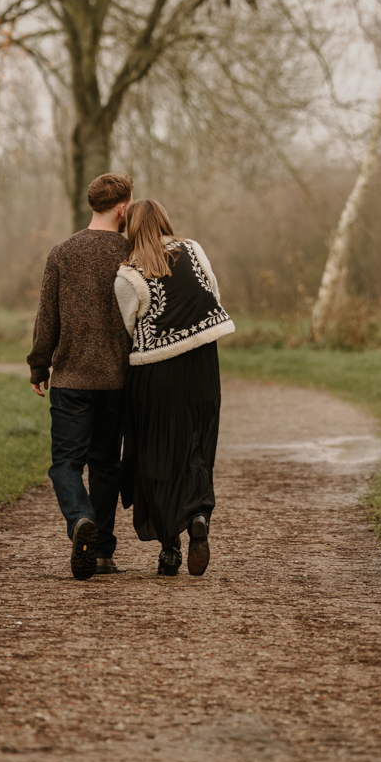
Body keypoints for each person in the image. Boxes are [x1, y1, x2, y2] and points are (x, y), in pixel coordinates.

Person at [114, 200, 235, 577]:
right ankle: (198, 514)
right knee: (196, 445)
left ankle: (170, 547)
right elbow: (213, 293)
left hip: (156, 372)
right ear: (165, 221)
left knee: (157, 454)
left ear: (131, 229)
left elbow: (126, 329)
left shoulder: (128, 274)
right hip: (202, 364)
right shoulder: (194, 250)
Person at [28, 172, 133, 581]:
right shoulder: (132, 252)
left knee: (66, 464)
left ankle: (79, 520)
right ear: (122, 208)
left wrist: (39, 364)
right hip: (119, 380)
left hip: (72, 378)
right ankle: (102, 553)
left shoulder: (63, 252)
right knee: (106, 465)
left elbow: (47, 316)